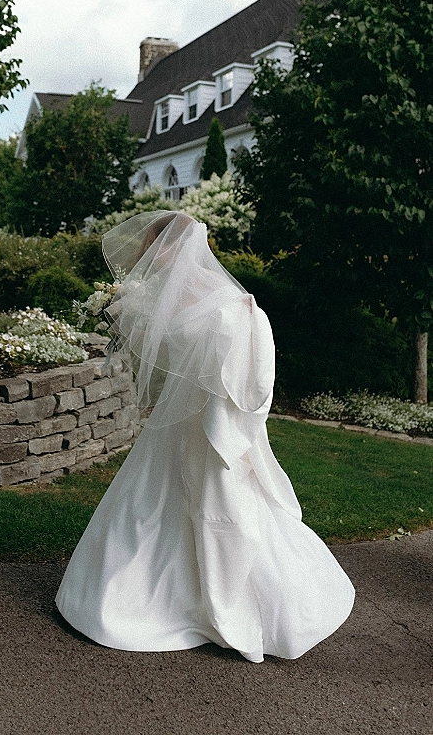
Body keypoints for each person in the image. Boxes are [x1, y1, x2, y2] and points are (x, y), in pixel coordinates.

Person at [55, 210, 354, 663]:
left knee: (210, 497)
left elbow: (228, 353)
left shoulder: (222, 301)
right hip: (183, 417)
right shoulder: (173, 297)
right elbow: (164, 358)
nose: (153, 256)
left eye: (161, 246)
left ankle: (227, 600)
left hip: (212, 417)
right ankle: (146, 595)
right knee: (159, 499)